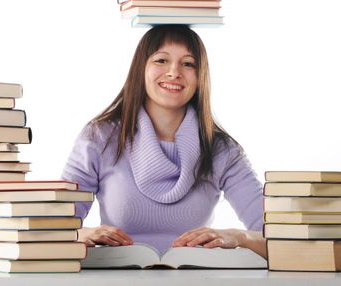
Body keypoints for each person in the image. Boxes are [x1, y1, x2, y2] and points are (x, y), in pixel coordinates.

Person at [62, 24, 267, 258]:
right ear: (141, 68)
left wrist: (239, 237)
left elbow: (279, 237)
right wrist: (81, 233)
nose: (174, 72)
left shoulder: (223, 150)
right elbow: (49, 229)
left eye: (188, 64)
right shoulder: (100, 137)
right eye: (161, 60)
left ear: (200, 77)